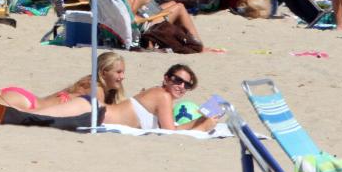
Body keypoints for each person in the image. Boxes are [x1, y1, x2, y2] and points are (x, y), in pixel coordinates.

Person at [24, 64, 217, 132]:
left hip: (93, 110)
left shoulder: (161, 95)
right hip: (93, 111)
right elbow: (170, 133)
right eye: (177, 80)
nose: (181, 86)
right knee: (31, 115)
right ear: (166, 78)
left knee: (33, 116)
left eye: (187, 84)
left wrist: (199, 122)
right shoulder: (162, 96)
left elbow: (172, 128)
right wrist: (201, 126)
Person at [0, 51, 127, 112]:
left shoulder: (88, 82)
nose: (122, 77)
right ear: (103, 73)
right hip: (27, 104)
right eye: (118, 72)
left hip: (22, 97)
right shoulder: (98, 91)